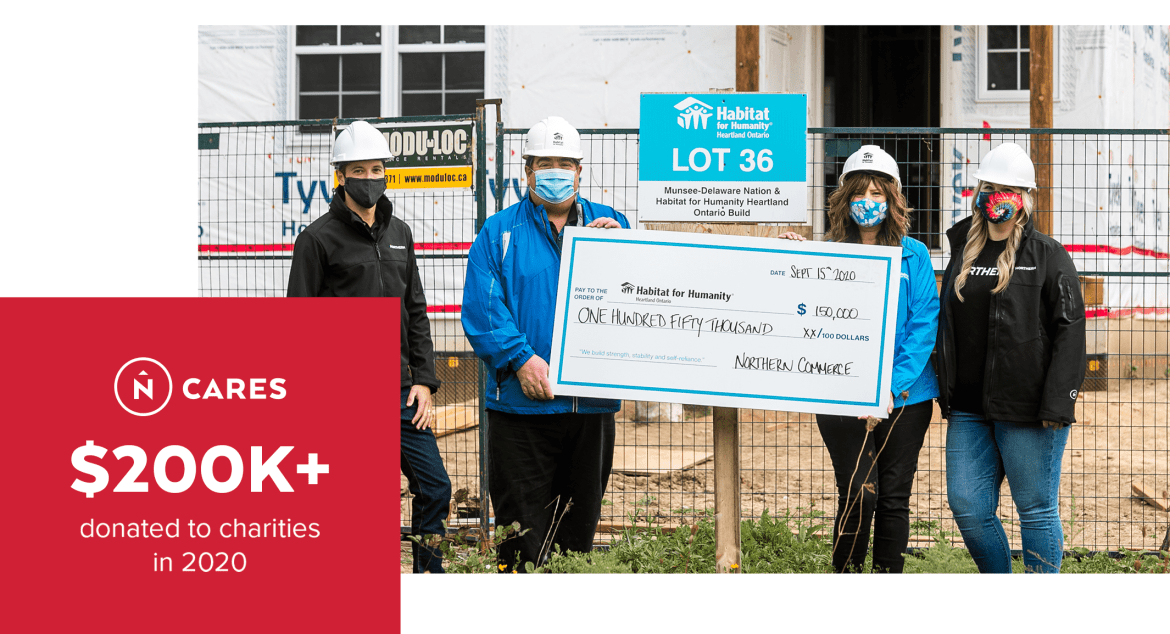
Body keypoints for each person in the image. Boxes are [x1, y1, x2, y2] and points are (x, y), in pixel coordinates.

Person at [461, 116, 629, 572]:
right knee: (521, 536)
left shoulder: (611, 225)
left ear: (580, 171)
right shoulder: (499, 232)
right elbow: (483, 308)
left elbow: (638, 296)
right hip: (521, 410)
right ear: (527, 170)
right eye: (545, 163)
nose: (556, 172)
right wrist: (521, 359)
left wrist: (622, 251)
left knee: (577, 535)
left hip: (590, 406)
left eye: (565, 163)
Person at [286, 120, 449, 573]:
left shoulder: (401, 233)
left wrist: (424, 381)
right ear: (340, 176)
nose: (370, 178)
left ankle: (428, 580)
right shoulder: (316, 239)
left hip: (401, 394)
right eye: (358, 170)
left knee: (435, 487)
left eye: (377, 169)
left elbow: (415, 311)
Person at [779, 145, 939, 572]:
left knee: (893, 497)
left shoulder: (914, 256)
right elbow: (803, 312)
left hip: (905, 398)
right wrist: (791, 258)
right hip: (841, 394)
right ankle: (846, 576)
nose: (867, 202)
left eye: (877, 193)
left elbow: (924, 324)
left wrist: (890, 389)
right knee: (857, 492)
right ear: (844, 200)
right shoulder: (826, 254)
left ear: (892, 199)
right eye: (858, 194)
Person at [935, 142, 1085, 574]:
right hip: (968, 408)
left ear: (1024, 198)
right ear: (978, 192)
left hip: (1027, 407)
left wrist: (1058, 403)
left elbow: (1070, 330)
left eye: (1009, 190)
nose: (997, 197)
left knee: (1035, 509)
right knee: (967, 505)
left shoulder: (1047, 255)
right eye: (990, 187)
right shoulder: (962, 248)